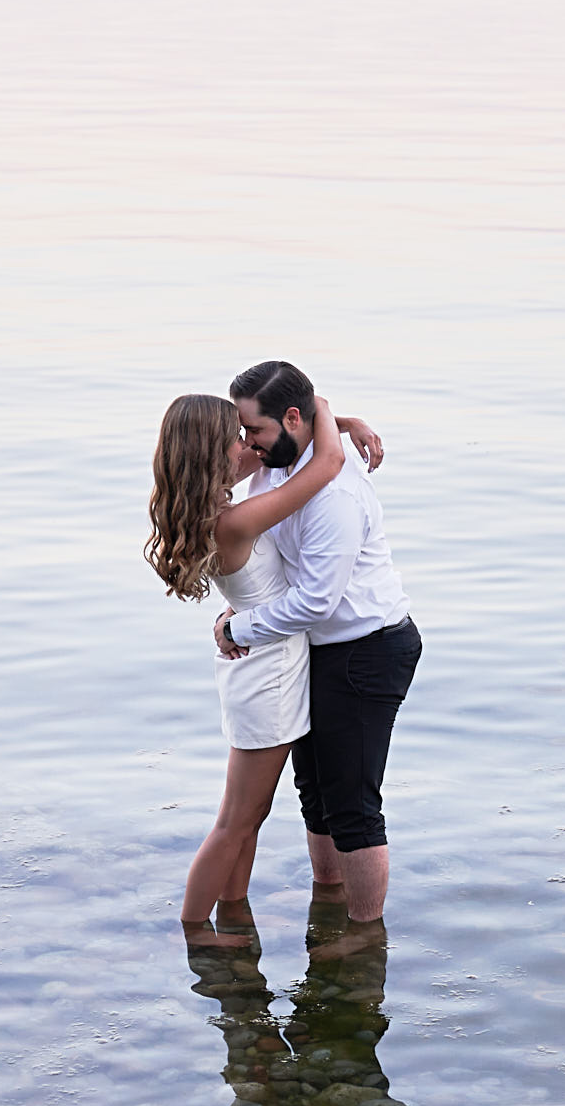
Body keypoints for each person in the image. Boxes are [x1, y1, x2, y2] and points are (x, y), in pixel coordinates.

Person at [146, 392, 383, 948]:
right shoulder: (236, 520)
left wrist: (338, 420)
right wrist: (325, 407)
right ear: (213, 454)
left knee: (247, 817)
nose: (249, 445)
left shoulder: (215, 510)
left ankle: (234, 913)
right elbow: (327, 463)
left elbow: (285, 442)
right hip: (269, 678)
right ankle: (196, 930)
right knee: (236, 820)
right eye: (238, 438)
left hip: (261, 667)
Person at [216, 361, 420, 950]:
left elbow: (315, 600)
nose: (247, 443)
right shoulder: (280, 458)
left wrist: (241, 628)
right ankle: (328, 901)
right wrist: (343, 418)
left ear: (292, 419)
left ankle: (364, 935)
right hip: (315, 648)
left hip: (366, 649)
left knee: (352, 802)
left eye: (253, 430)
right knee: (315, 791)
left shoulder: (334, 494)